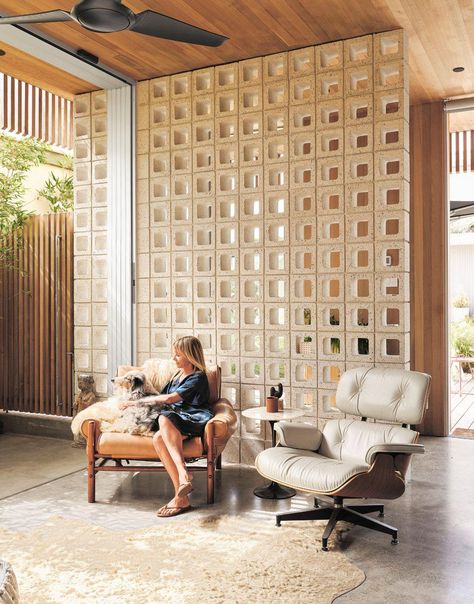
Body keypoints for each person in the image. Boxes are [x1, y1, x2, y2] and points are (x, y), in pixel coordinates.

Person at [122, 336, 212, 517]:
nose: (174, 359)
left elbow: (170, 399)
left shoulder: (198, 377)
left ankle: (184, 473)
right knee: (158, 438)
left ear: (189, 355)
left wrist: (134, 404)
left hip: (192, 418)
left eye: (178, 355)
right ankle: (181, 497)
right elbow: (160, 396)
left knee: (164, 418)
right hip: (175, 419)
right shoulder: (177, 375)